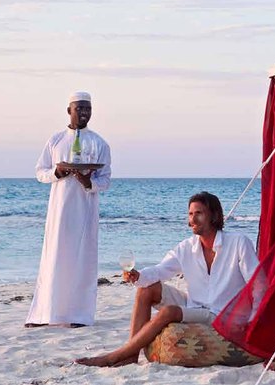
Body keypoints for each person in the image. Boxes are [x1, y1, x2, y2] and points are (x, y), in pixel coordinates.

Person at [76, 191, 259, 367]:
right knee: (146, 289)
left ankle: (113, 357)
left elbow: (258, 285)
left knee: (169, 312)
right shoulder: (186, 247)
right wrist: (139, 276)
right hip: (195, 305)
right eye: (190, 214)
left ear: (214, 216)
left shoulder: (238, 243)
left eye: (199, 214)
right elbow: (161, 270)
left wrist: (254, 322)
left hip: (220, 313)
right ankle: (130, 356)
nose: (192, 219)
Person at [26, 91, 112, 328]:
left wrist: (89, 183)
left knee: (82, 259)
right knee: (53, 258)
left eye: (88, 109)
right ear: (69, 110)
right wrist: (57, 173)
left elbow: (106, 180)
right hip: (59, 210)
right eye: (79, 109)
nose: (84, 113)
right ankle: (44, 315)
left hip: (85, 210)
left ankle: (79, 316)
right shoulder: (55, 141)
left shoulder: (99, 143)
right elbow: (40, 172)